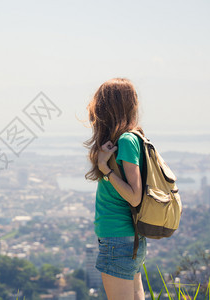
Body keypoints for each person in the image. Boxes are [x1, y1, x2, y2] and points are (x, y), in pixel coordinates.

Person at [84, 78, 147, 300]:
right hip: (125, 239)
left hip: (119, 240)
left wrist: (105, 168)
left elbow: (134, 195)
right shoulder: (124, 140)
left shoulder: (127, 140)